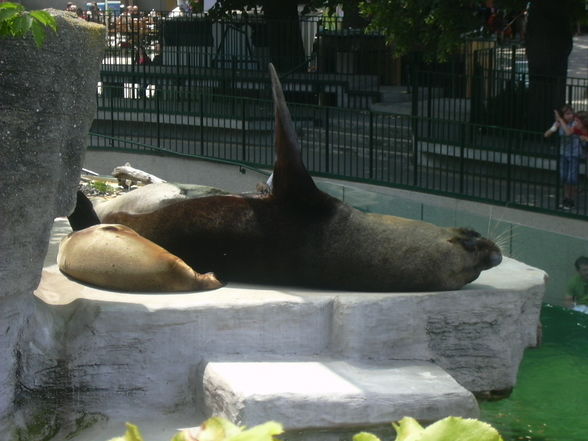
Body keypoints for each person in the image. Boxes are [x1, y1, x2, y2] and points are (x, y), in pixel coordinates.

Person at [544, 105, 583, 209]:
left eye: (571, 113)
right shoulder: (559, 123)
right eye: (567, 114)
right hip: (563, 154)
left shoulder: (575, 123)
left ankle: (571, 199)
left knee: (572, 178)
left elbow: (568, 133)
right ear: (563, 115)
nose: (570, 116)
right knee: (564, 177)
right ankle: (566, 198)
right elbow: (546, 134)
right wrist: (554, 127)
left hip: (574, 154)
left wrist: (560, 120)